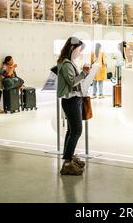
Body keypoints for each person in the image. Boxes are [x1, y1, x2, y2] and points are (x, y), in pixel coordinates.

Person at [57, 37, 91, 176]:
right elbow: (71, 82)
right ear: (72, 48)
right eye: (79, 49)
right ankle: (67, 162)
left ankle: (68, 158)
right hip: (71, 101)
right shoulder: (66, 64)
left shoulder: (67, 62)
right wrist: (84, 73)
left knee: (71, 131)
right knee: (76, 131)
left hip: (72, 100)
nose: (80, 52)